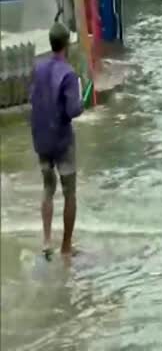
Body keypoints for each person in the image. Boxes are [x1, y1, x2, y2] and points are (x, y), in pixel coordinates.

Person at [31, 23, 83, 258]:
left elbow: (34, 99)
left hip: (41, 137)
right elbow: (73, 110)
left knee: (47, 188)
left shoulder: (39, 68)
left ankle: (46, 240)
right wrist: (82, 101)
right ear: (67, 44)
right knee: (69, 193)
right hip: (62, 141)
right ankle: (65, 246)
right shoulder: (69, 74)